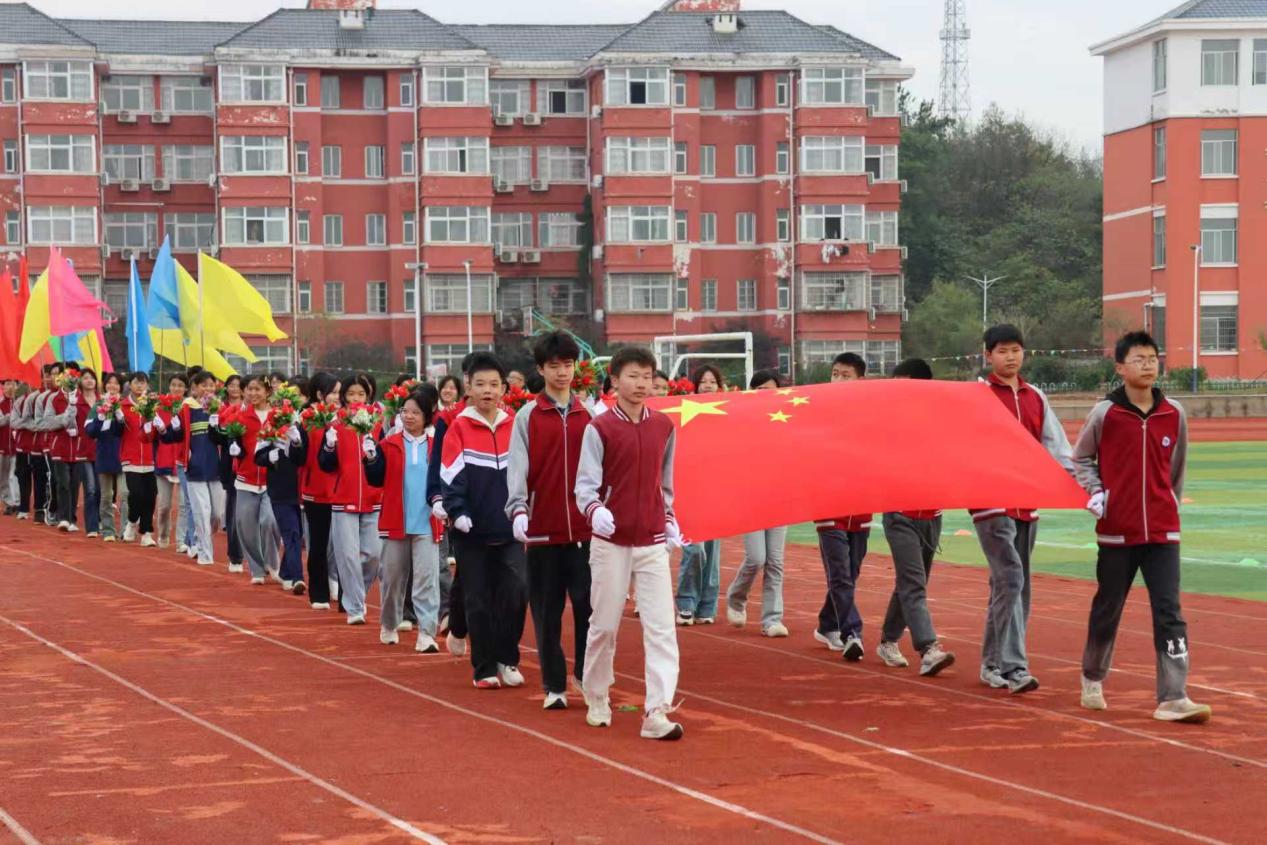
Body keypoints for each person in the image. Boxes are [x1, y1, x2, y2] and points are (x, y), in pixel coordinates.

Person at [1073, 331, 1211, 723]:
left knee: (1170, 611)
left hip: (1164, 532)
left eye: (1152, 358)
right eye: (1139, 359)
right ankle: (1093, 676)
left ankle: (1174, 695)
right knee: (1108, 606)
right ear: (1120, 367)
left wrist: (1169, 505)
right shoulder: (1106, 413)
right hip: (1117, 531)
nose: (1148, 365)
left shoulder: (1174, 413)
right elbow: (1080, 458)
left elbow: (1176, 470)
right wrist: (1096, 492)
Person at [576, 345, 684, 740]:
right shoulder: (600, 428)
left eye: (647, 377)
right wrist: (595, 511)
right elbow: (585, 486)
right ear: (615, 380)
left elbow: (665, 484)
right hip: (611, 541)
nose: (641, 384)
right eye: (633, 376)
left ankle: (657, 710)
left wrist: (668, 518)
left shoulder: (664, 427)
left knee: (661, 627)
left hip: (652, 540)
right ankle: (596, 694)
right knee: (604, 624)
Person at [973, 325, 1075, 695]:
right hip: (990, 503)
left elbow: (1057, 446)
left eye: (1016, 350)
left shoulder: (1036, 397)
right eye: (1002, 351)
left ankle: (991, 663)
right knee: (1011, 577)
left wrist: (1082, 486)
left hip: (1027, 503)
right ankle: (1015, 667)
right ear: (988, 355)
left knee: (1013, 585)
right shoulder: (978, 397)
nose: (1010, 357)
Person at [507, 332, 594, 710]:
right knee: (547, 612)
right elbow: (517, 468)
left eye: (568, 365)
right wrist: (518, 510)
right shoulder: (527, 417)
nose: (562, 373)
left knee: (590, 608)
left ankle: (585, 674)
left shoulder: (589, 415)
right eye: (554, 366)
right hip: (543, 531)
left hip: (586, 530)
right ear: (541, 370)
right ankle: (554, 685)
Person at [440, 352, 527, 688]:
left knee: (516, 591)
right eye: (480, 384)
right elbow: (450, 474)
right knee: (477, 598)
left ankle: (507, 657)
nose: (487, 390)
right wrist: (458, 511)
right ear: (469, 388)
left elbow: (527, 473)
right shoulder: (458, 427)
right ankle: (485, 668)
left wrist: (525, 511)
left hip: (509, 527)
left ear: (504, 388)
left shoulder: (515, 424)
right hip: (471, 529)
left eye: (493, 384)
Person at [875, 358, 955, 677]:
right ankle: (928, 648)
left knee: (910, 583)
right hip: (899, 515)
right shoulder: (888, 422)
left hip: (932, 515)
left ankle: (887, 640)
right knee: (913, 583)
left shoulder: (940, 420)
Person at [366, 385, 443, 653]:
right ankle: (389, 624)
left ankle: (427, 633)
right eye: (405, 411)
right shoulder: (389, 444)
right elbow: (375, 479)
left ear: (427, 416)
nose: (409, 416)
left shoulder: (436, 446)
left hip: (427, 522)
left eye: (415, 412)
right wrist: (371, 457)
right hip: (395, 521)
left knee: (426, 580)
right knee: (392, 580)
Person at [814, 352, 874, 660]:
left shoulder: (870, 417)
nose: (838, 379)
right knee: (839, 574)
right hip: (828, 506)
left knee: (851, 573)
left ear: (860, 380)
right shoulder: (819, 412)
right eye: (835, 373)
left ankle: (827, 624)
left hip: (861, 507)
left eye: (845, 375)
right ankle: (852, 633)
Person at [725, 369, 790, 638]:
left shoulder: (786, 421)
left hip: (779, 497)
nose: (766, 394)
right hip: (751, 497)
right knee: (756, 558)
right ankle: (736, 596)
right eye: (760, 389)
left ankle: (772, 619)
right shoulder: (743, 421)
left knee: (775, 561)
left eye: (770, 389)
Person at [319, 373, 383, 626]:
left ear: (369, 396)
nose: (356, 398)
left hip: (373, 498)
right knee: (347, 556)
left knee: (374, 555)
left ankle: (357, 593)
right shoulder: (334, 423)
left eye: (361, 394)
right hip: (343, 498)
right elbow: (325, 464)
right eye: (351, 394)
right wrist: (329, 446)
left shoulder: (377, 422)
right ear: (344, 396)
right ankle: (355, 606)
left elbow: (384, 460)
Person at [675, 364, 725, 626]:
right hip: (689, 492)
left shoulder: (725, 417)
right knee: (694, 549)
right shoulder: (681, 415)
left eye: (712, 382)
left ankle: (707, 605)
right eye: (703, 381)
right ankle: (686, 602)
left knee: (712, 552)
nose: (708, 386)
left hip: (714, 493)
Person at [229, 375, 281, 585]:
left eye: (258, 389)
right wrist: (235, 448)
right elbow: (232, 441)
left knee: (270, 521)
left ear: (268, 392)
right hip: (246, 479)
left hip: (271, 480)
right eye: (250, 389)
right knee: (246, 526)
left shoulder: (278, 416)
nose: (253, 393)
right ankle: (257, 569)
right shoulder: (240, 418)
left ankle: (273, 564)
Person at [254, 401, 308, 594]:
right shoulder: (270, 428)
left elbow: (304, 457)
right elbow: (258, 456)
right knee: (291, 533)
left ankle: (285, 572)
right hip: (280, 489)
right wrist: (271, 456)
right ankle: (297, 577)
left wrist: (297, 441)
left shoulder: (303, 425)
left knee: (297, 534)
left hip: (303, 488)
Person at [173, 372, 224, 566]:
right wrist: (169, 427)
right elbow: (174, 436)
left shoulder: (219, 408)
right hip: (195, 468)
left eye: (211, 385)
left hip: (216, 468)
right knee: (201, 512)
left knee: (217, 514)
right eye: (204, 385)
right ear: (195, 387)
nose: (208, 389)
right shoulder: (186, 408)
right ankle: (204, 553)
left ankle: (197, 535)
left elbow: (226, 436)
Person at [301, 372, 340, 609]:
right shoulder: (307, 418)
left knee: (342, 546)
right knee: (318, 544)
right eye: (333, 392)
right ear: (319, 394)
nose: (337, 397)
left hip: (341, 489)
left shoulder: (345, 418)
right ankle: (319, 593)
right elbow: (300, 455)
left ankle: (343, 592)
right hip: (315, 489)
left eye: (339, 392)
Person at [87, 373, 127, 541]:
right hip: (104, 454)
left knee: (125, 494)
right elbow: (90, 431)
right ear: (104, 386)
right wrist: (101, 417)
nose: (113, 386)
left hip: (124, 455)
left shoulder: (125, 404)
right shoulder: (97, 405)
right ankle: (108, 530)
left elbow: (129, 429)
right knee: (106, 496)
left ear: (121, 387)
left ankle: (125, 530)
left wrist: (119, 413)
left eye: (116, 383)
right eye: (109, 383)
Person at [120, 371, 158, 547]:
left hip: (150, 458)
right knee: (136, 494)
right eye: (136, 382)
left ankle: (147, 533)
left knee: (150, 496)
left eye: (143, 383)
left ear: (147, 385)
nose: (140, 386)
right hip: (130, 457)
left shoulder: (153, 406)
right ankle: (131, 521)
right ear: (130, 384)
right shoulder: (122, 406)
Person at [151, 374, 189, 549]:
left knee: (183, 505)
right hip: (164, 460)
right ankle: (163, 534)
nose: (176, 388)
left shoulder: (189, 408)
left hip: (183, 460)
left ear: (186, 388)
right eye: (173, 384)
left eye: (180, 385)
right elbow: (151, 436)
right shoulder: (159, 407)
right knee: (164, 505)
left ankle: (181, 540)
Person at [217, 375, 246, 572]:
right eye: (232, 385)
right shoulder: (227, 411)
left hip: (261, 471)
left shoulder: (268, 412)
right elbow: (218, 438)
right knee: (235, 512)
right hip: (234, 468)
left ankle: (262, 558)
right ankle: (235, 556)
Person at [0, 378, 16, 515]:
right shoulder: (0, 404)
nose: (10, 386)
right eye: (7, 384)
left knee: (14, 475)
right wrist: (8, 417)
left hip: (17, 446)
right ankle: (8, 500)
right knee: (3, 476)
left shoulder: (19, 403)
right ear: (3, 387)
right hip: (2, 444)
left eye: (13, 384)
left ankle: (15, 502)